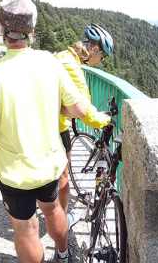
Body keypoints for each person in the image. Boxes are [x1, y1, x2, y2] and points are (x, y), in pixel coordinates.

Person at [0, 0, 88, 263]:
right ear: (32, 30)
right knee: (53, 210)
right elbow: (79, 109)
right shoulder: (50, 62)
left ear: (3, 29)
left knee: (25, 228)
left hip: (14, 173)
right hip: (49, 165)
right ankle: (63, 254)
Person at [55, 23, 114, 216]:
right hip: (54, 128)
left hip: (41, 123)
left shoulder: (63, 56)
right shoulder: (72, 67)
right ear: (94, 49)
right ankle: (62, 220)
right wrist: (105, 121)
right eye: (102, 56)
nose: (101, 60)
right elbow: (84, 110)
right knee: (63, 177)